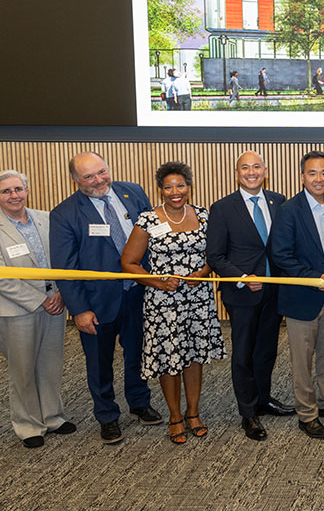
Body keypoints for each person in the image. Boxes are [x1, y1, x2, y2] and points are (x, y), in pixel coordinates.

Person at [50, 152, 161, 444]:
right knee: (99, 363)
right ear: (75, 180)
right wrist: (80, 310)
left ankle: (139, 402)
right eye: (89, 176)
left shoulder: (133, 191)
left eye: (101, 172)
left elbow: (154, 234)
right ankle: (107, 416)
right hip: (96, 302)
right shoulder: (64, 214)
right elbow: (65, 268)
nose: (98, 180)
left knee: (137, 352)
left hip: (138, 292)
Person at [120, 162, 225, 444]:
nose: (175, 192)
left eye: (180, 185)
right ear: (161, 190)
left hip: (197, 299)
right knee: (170, 359)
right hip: (163, 303)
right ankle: (175, 416)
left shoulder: (204, 216)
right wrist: (158, 281)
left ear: (189, 187)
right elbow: (128, 263)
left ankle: (193, 412)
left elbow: (215, 254)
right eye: (168, 187)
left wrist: (202, 274)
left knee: (193, 355)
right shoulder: (148, 220)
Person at [0, 170, 74, 448]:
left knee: (50, 363)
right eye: (6, 191)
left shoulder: (47, 219)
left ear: (27, 191)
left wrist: (59, 293)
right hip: (15, 310)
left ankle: (53, 416)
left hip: (54, 302)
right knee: (23, 368)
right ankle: (28, 424)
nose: (14, 195)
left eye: (18, 189)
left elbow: (63, 257)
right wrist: (40, 300)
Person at [206, 151, 293, 442]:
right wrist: (243, 278)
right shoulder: (222, 208)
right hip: (242, 293)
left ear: (265, 171)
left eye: (256, 167)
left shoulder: (278, 201)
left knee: (266, 349)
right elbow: (215, 256)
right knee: (243, 353)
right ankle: (248, 413)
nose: (251, 172)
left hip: (274, 290)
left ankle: (263, 399)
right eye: (245, 168)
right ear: (236, 173)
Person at [270, 151, 324, 439]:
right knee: (302, 359)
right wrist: (310, 278)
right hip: (302, 297)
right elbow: (280, 254)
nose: (318, 178)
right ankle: (307, 414)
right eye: (312, 173)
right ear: (302, 176)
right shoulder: (289, 209)